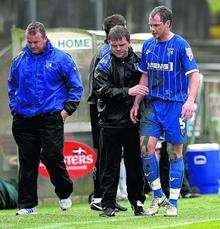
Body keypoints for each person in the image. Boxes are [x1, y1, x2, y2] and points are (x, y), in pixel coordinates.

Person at [130, 6, 200, 217]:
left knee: (173, 153)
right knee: (145, 148)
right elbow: (144, 76)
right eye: (150, 25)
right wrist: (136, 102)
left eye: (156, 25)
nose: (152, 29)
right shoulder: (149, 46)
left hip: (175, 106)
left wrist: (189, 101)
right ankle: (158, 195)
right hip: (153, 105)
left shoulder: (180, 45)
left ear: (167, 23)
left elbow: (194, 75)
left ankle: (173, 202)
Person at [8, 21, 83, 215]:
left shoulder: (61, 59)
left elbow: (76, 88)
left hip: (51, 117)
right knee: (27, 160)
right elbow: (12, 86)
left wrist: (66, 111)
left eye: (36, 42)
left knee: (51, 156)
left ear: (45, 38)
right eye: (30, 42)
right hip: (24, 118)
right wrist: (14, 109)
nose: (33, 45)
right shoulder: (19, 60)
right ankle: (27, 204)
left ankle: (65, 192)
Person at [94, 25, 148, 217]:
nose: (118, 48)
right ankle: (108, 204)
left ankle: (138, 203)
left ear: (129, 42)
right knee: (109, 165)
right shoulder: (103, 64)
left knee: (135, 164)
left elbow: (148, 83)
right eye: (114, 45)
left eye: (121, 44)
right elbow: (102, 91)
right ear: (109, 44)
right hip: (110, 121)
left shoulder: (139, 61)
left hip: (134, 120)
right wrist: (129, 91)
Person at [88, 14, 127, 212]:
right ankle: (99, 196)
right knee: (105, 153)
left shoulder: (104, 50)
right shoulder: (107, 53)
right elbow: (103, 88)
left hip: (100, 107)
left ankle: (103, 196)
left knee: (106, 153)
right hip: (102, 108)